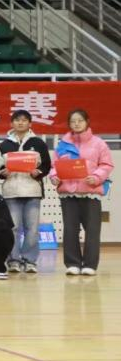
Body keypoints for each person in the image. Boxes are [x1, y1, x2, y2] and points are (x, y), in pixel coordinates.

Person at [50, 109, 114, 276]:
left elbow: (106, 164)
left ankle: (90, 265)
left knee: (92, 230)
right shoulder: (63, 144)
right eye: (73, 121)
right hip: (68, 193)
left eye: (80, 120)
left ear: (87, 122)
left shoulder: (99, 143)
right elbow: (54, 166)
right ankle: (72, 263)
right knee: (70, 229)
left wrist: (96, 177)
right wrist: (54, 177)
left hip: (90, 192)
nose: (76, 124)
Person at [0, 109, 52, 274]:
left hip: (32, 191)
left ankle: (29, 261)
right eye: (17, 120)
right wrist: (2, 172)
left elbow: (47, 165)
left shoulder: (38, 143)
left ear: (30, 123)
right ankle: (13, 260)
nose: (20, 123)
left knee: (32, 229)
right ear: (11, 123)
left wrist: (38, 172)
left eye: (24, 120)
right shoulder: (5, 145)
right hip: (11, 191)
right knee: (12, 228)